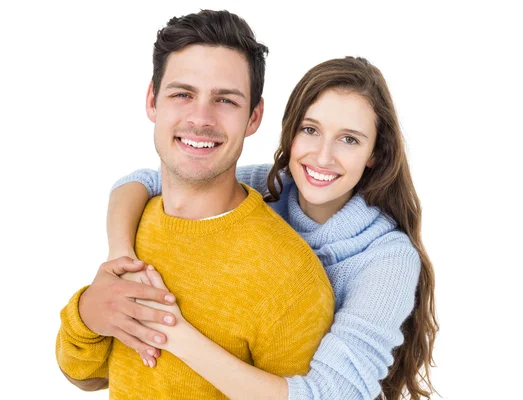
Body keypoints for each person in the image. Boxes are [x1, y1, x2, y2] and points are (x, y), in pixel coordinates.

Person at [108, 56, 439, 399]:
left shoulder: (388, 259)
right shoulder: (265, 188)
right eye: (310, 130)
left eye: (349, 140)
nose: (323, 157)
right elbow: (145, 182)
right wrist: (120, 257)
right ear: (290, 132)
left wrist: (173, 332)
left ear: (375, 153)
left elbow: (333, 394)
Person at [55, 9, 335, 399]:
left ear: (254, 117)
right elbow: (86, 375)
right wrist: (87, 313)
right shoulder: (136, 221)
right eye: (182, 94)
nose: (200, 118)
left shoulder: (290, 278)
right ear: (153, 101)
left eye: (225, 100)